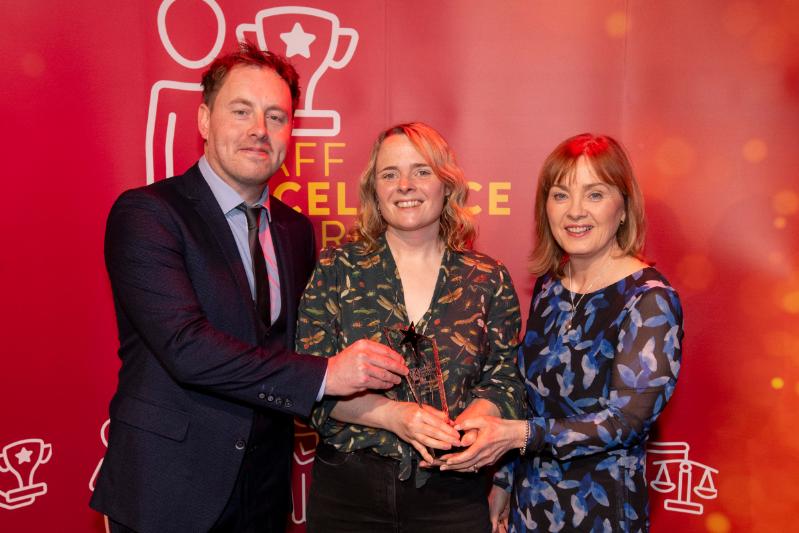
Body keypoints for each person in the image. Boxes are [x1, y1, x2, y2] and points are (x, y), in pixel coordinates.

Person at [89, 42, 407, 533]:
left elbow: (286, 343)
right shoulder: (148, 214)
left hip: (264, 487)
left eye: (276, 117)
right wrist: (326, 375)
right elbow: (186, 348)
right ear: (204, 120)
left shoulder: (296, 229)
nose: (260, 130)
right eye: (242, 111)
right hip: (168, 488)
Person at [445, 133, 684, 532]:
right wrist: (504, 482)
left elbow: (625, 421)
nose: (575, 211)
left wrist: (518, 435)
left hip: (602, 514)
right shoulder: (551, 286)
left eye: (594, 194)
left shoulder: (649, 300)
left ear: (623, 207)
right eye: (560, 195)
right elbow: (530, 397)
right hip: (530, 509)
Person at [295, 123, 525, 532]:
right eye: (389, 174)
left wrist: (472, 422)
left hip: (453, 493)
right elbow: (309, 381)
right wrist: (394, 415)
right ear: (374, 191)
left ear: (447, 184)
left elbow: (505, 379)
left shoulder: (487, 279)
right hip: (348, 494)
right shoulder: (337, 269)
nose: (405, 185)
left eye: (421, 171)